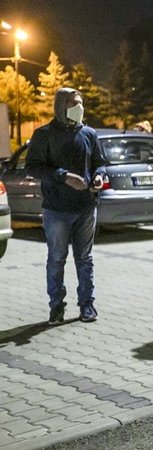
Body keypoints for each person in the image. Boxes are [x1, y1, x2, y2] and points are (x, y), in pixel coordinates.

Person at [25, 88, 104, 325]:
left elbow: (100, 163)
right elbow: (33, 166)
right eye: (72, 102)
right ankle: (56, 308)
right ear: (61, 105)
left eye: (80, 103)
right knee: (57, 259)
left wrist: (99, 176)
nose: (78, 107)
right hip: (57, 209)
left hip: (86, 207)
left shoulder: (89, 133)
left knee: (85, 259)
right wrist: (63, 176)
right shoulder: (44, 134)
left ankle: (87, 306)